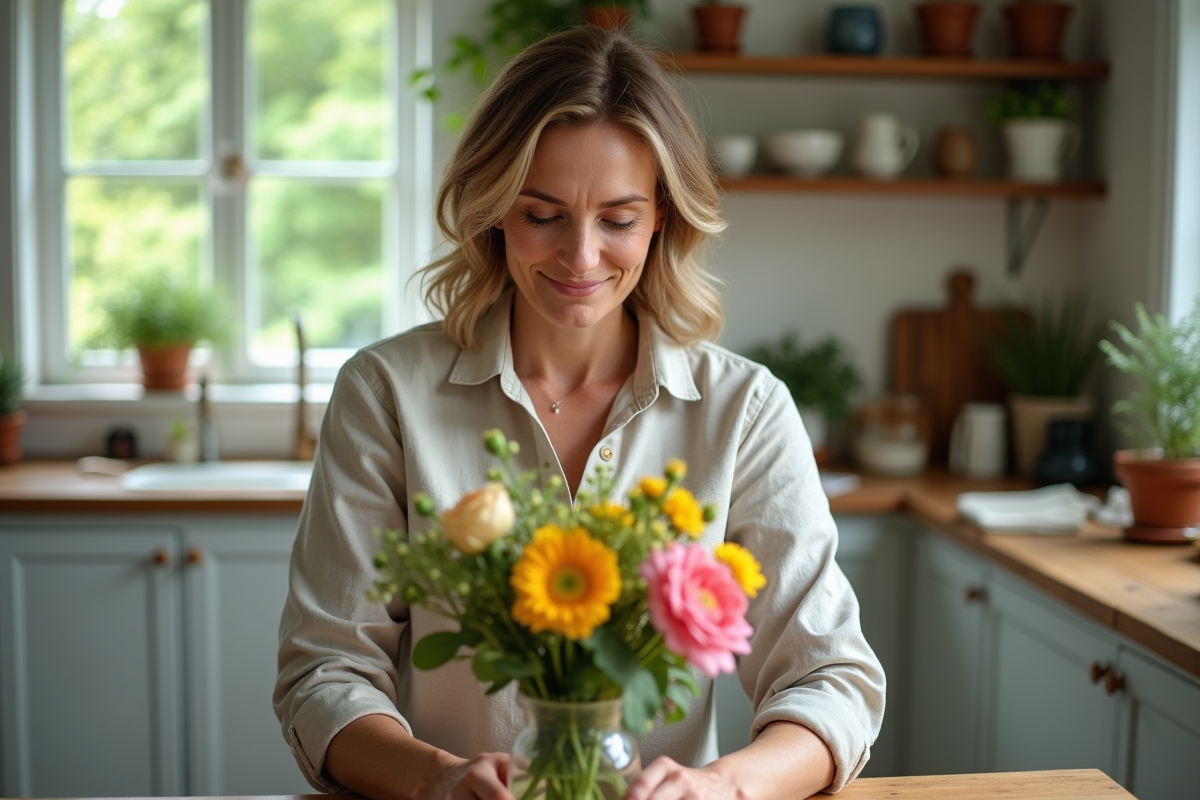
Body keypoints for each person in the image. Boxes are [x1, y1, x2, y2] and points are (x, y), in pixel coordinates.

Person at [274, 24, 884, 800]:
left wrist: (723, 788)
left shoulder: (744, 411)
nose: (582, 257)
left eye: (618, 219)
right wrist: (440, 779)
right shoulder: (385, 393)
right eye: (543, 215)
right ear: (495, 210)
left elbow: (831, 680)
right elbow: (326, 673)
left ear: (662, 216)